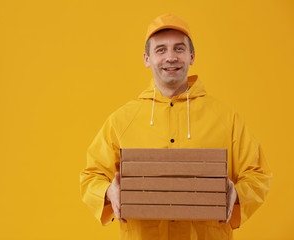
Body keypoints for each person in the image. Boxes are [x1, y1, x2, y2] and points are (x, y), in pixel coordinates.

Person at [79, 13, 272, 240]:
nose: (171, 57)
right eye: (161, 50)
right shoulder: (121, 120)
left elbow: (257, 174)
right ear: (146, 59)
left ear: (191, 57)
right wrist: (109, 192)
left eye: (178, 49)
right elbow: (92, 176)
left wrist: (237, 193)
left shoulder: (226, 118)